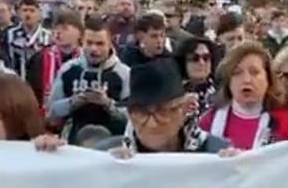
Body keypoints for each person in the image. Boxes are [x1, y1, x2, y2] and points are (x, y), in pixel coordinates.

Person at [92, 58, 232, 156]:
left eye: (162, 111)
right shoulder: (105, 154)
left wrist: (235, 169)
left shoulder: (215, 152)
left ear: (183, 111)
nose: (152, 123)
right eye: (141, 113)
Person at [199, 41, 288, 150]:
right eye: (237, 73)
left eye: (254, 72)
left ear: (268, 79)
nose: (246, 80)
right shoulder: (210, 120)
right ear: (228, 81)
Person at [46, 17, 130, 142]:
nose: (94, 49)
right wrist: (73, 102)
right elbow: (51, 112)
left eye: (100, 44)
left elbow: (132, 118)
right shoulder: (68, 69)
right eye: (89, 43)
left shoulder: (124, 73)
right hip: (73, 141)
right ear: (82, 42)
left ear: (110, 44)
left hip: (113, 142)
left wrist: (107, 104)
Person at [25, 8, 84, 104]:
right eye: (56, 28)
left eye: (65, 28)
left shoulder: (86, 59)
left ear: (80, 33)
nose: (58, 32)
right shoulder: (40, 58)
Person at [1, 0, 52, 77]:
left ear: (39, 14)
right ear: (19, 13)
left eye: (32, 11)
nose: (28, 14)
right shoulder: (9, 34)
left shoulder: (48, 36)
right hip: (15, 78)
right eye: (25, 10)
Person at [176, 36, 217, 116]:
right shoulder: (172, 94)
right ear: (184, 62)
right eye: (195, 58)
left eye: (206, 58)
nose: (201, 63)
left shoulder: (222, 93)